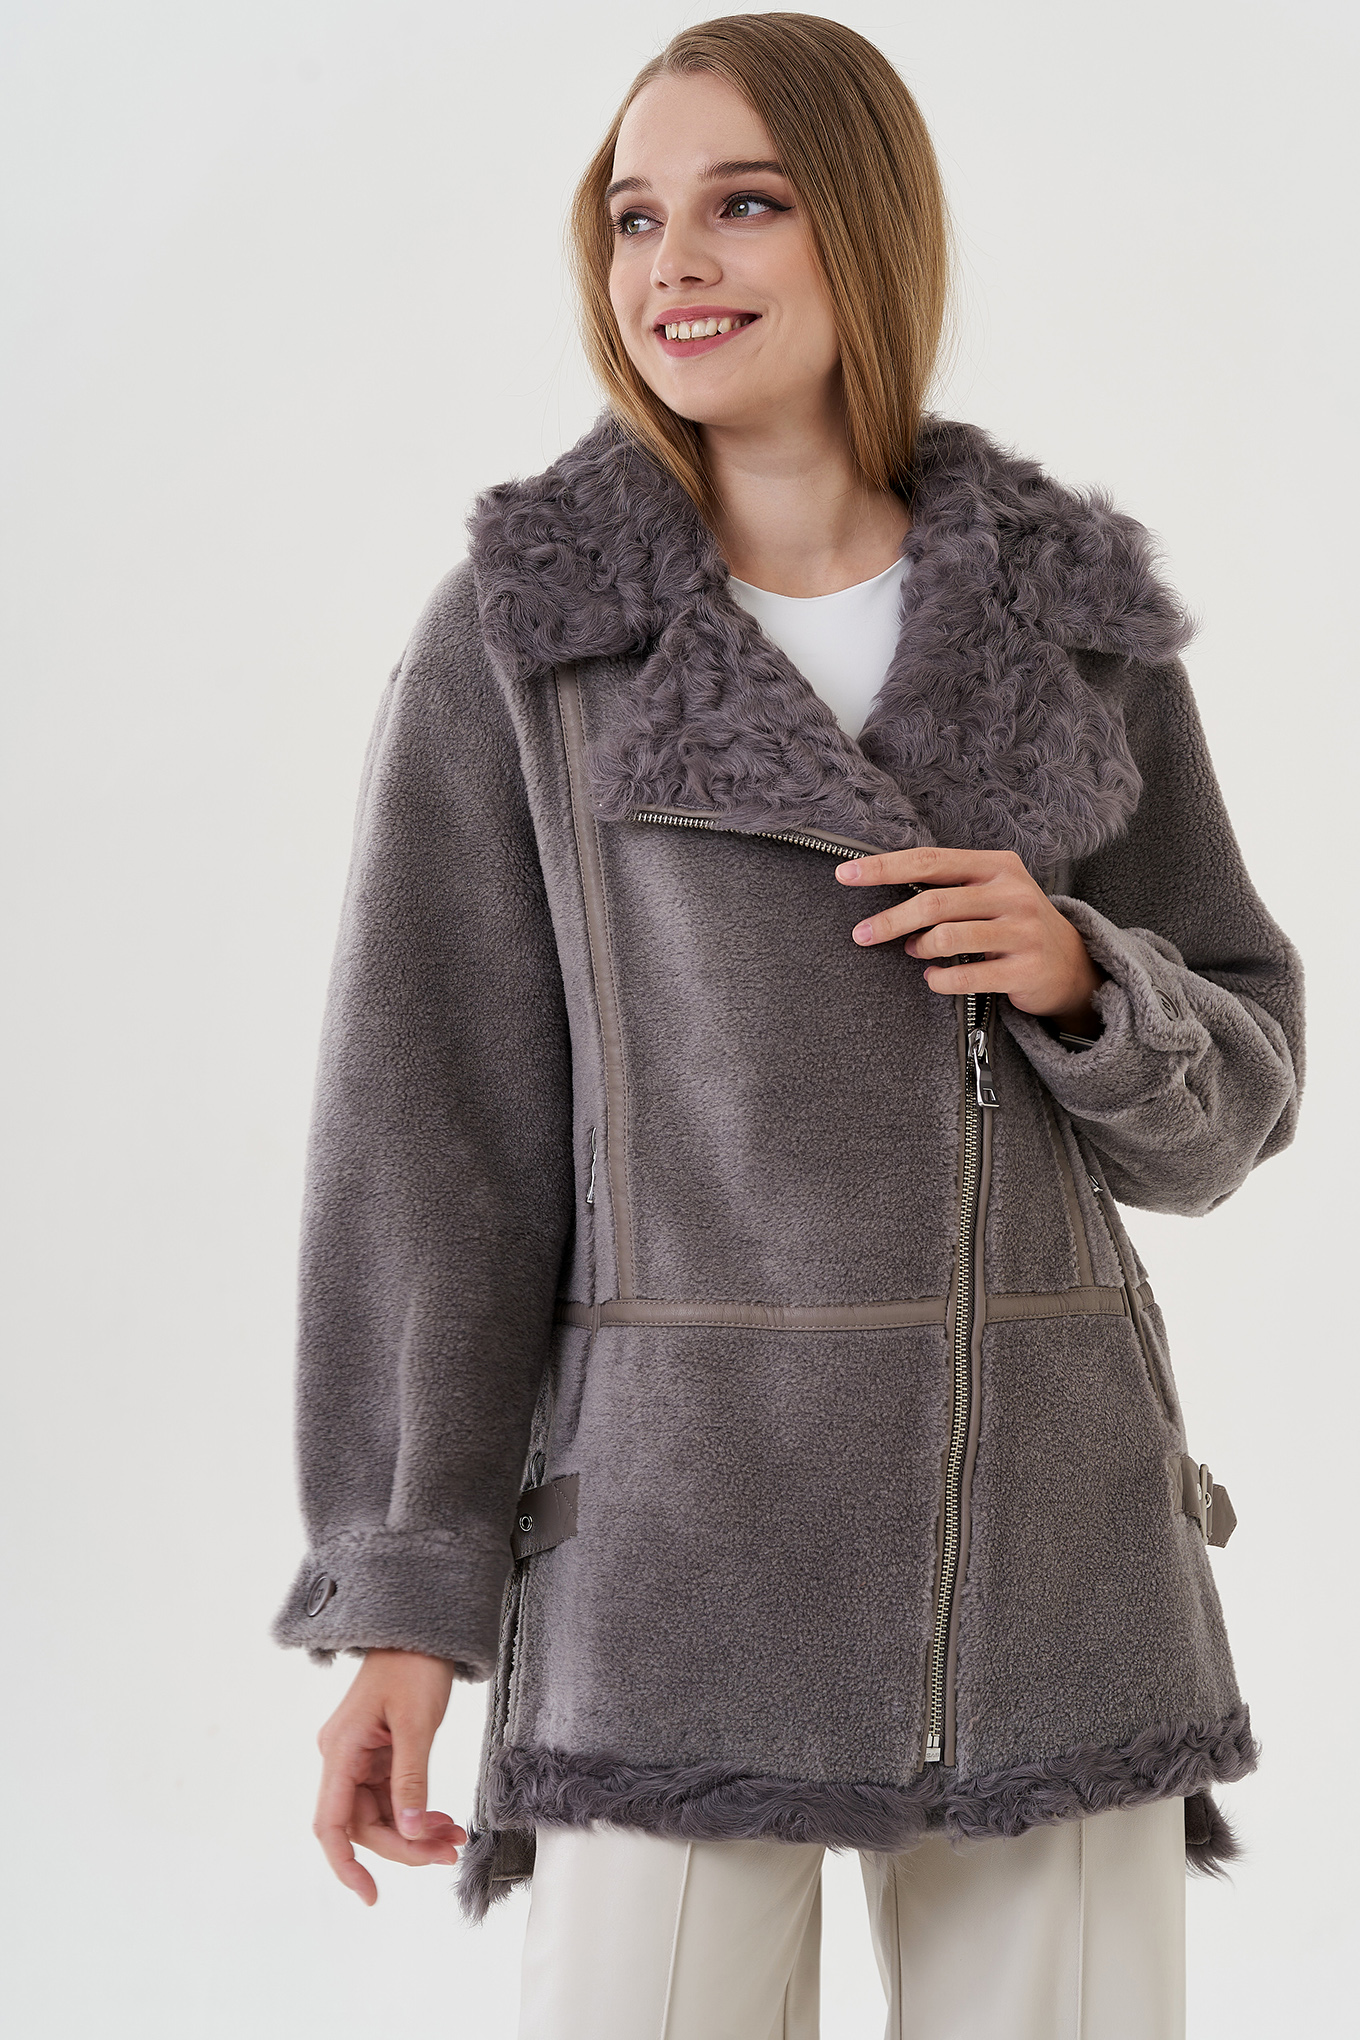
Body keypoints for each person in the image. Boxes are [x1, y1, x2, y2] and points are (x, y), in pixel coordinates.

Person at [272, 15, 1303, 2037]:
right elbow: (431, 1148)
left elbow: (1232, 1104)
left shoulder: (1070, 627)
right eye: (631, 217)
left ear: (868, 229)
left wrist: (1083, 976)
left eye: (742, 203)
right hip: (674, 1562)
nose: (674, 262)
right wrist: (400, 1597)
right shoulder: (527, 643)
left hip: (1047, 1558)